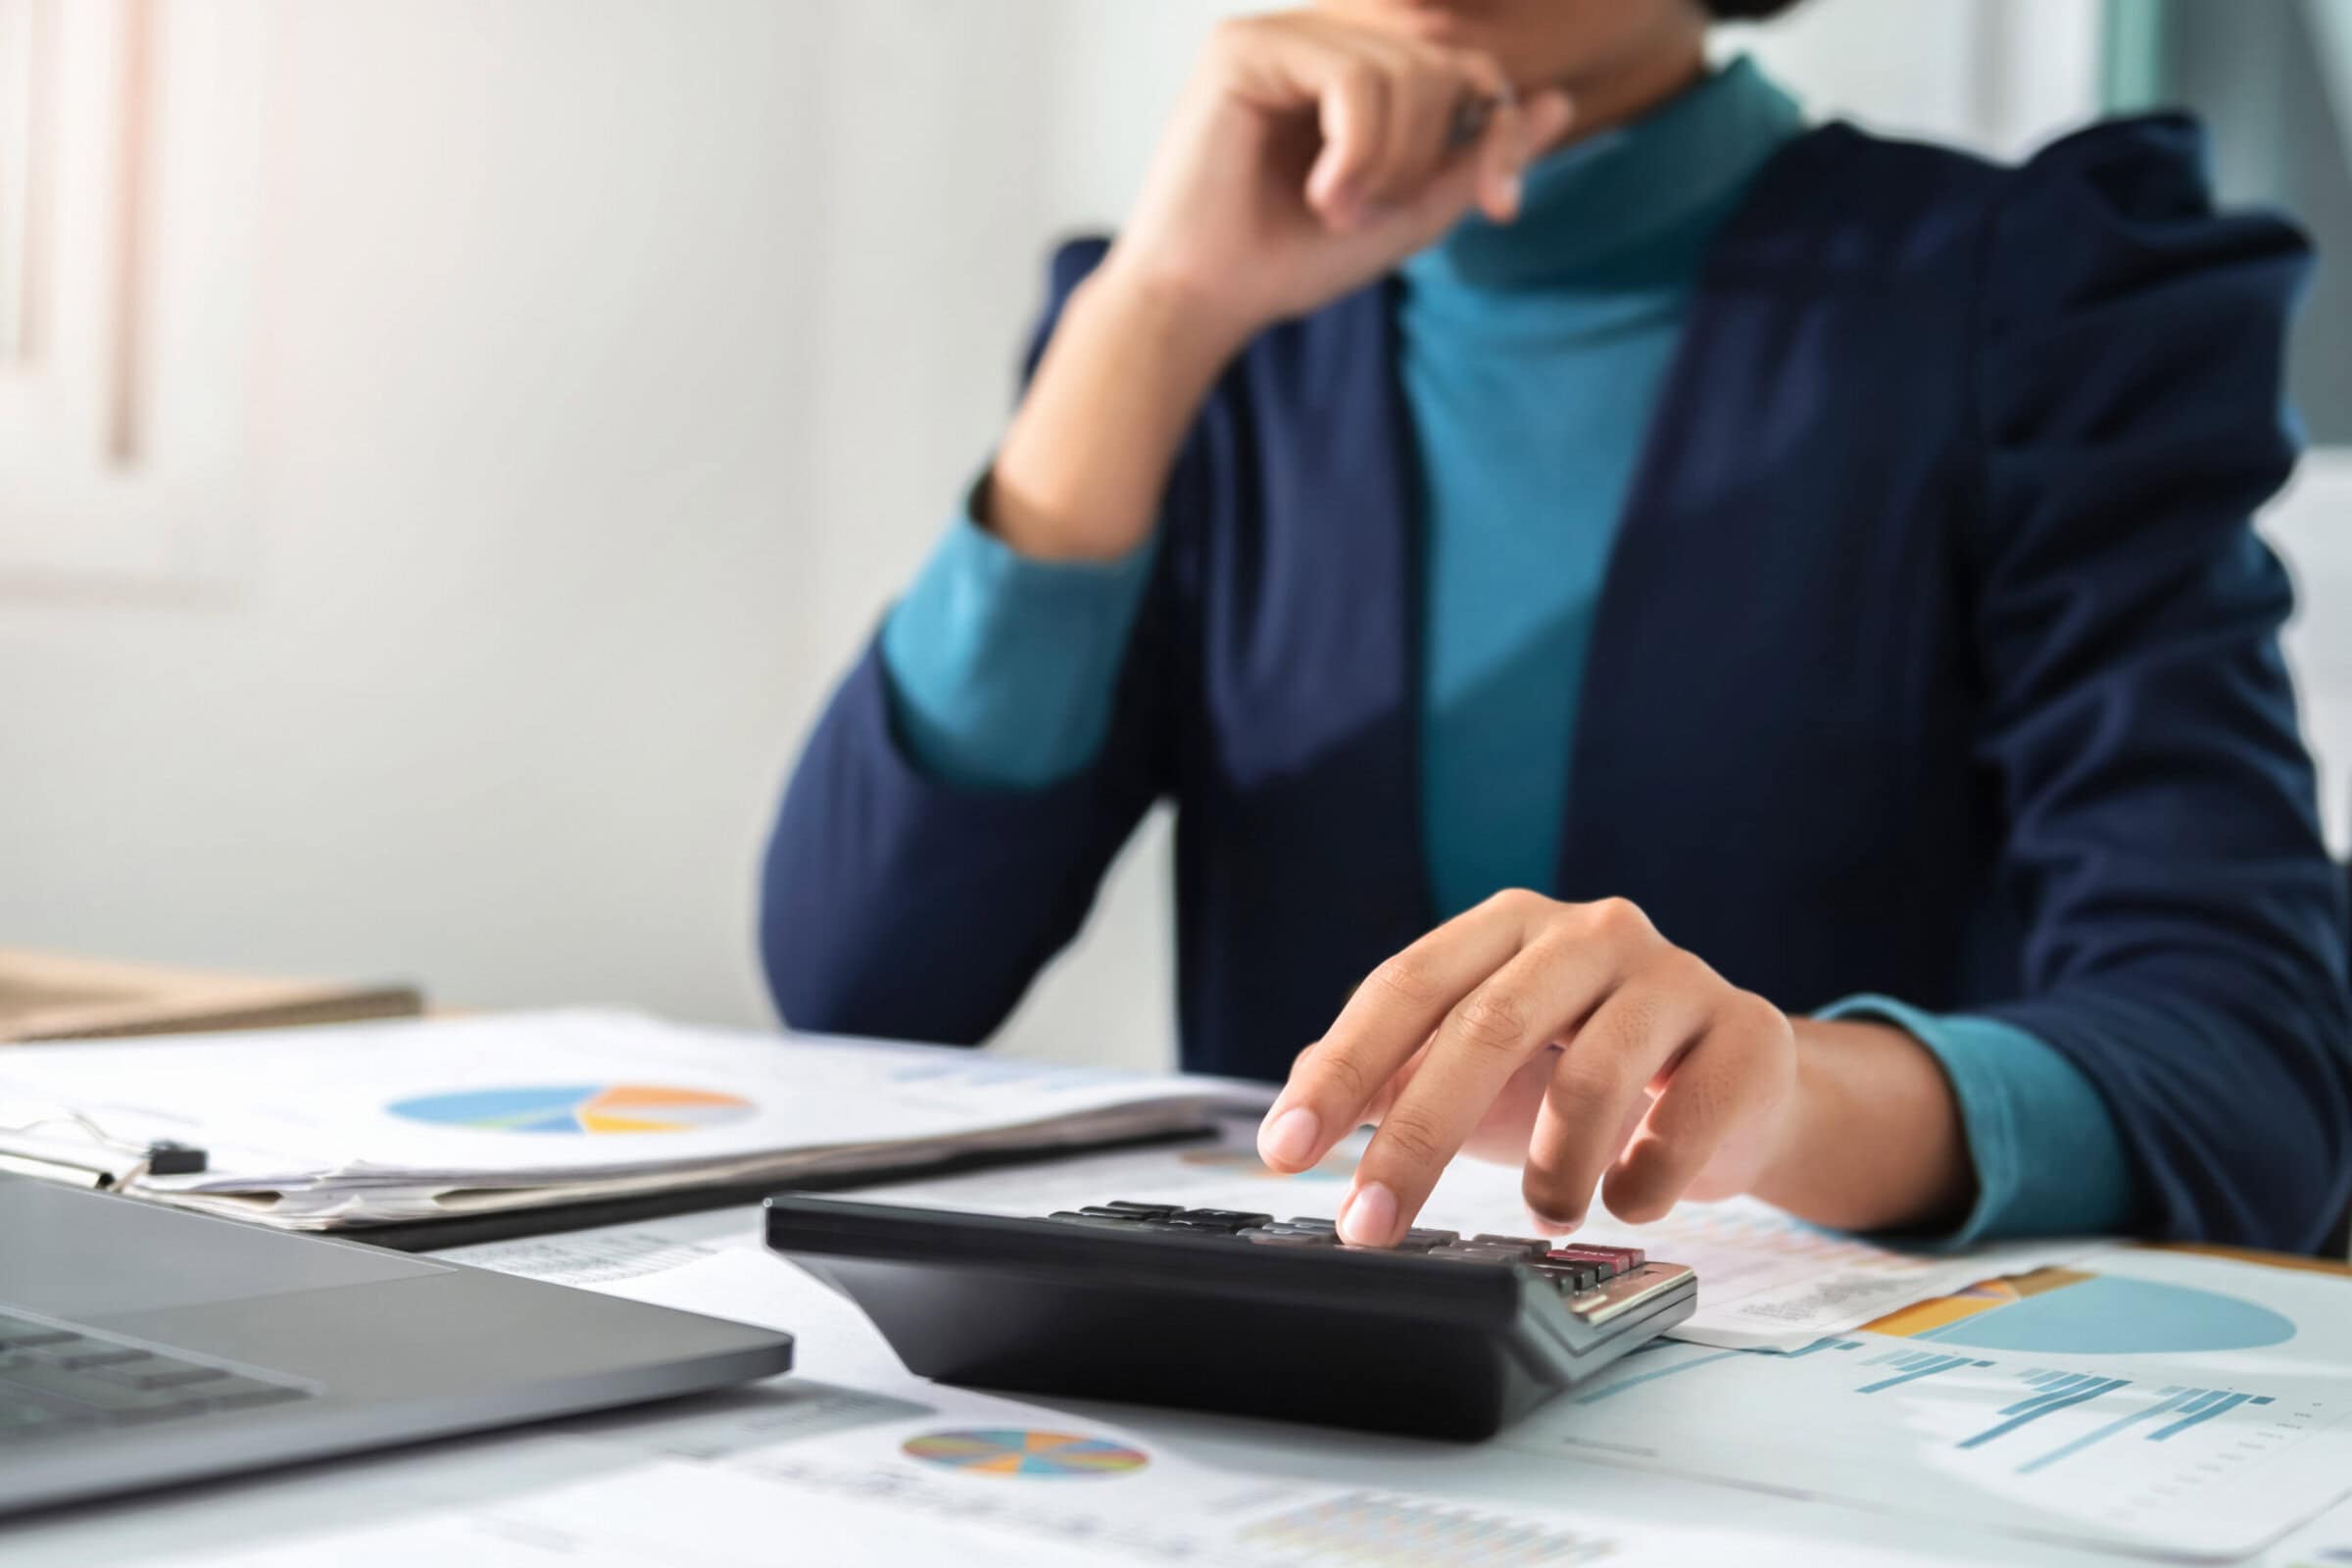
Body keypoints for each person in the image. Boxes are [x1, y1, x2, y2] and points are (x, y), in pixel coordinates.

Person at [763, 0, 2352, 1254]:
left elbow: (2250, 1062)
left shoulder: (2045, 300)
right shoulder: (1198, 332)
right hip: (1307, 1422)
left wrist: (1786, 1099)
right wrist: (1155, 316)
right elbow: (862, 977)